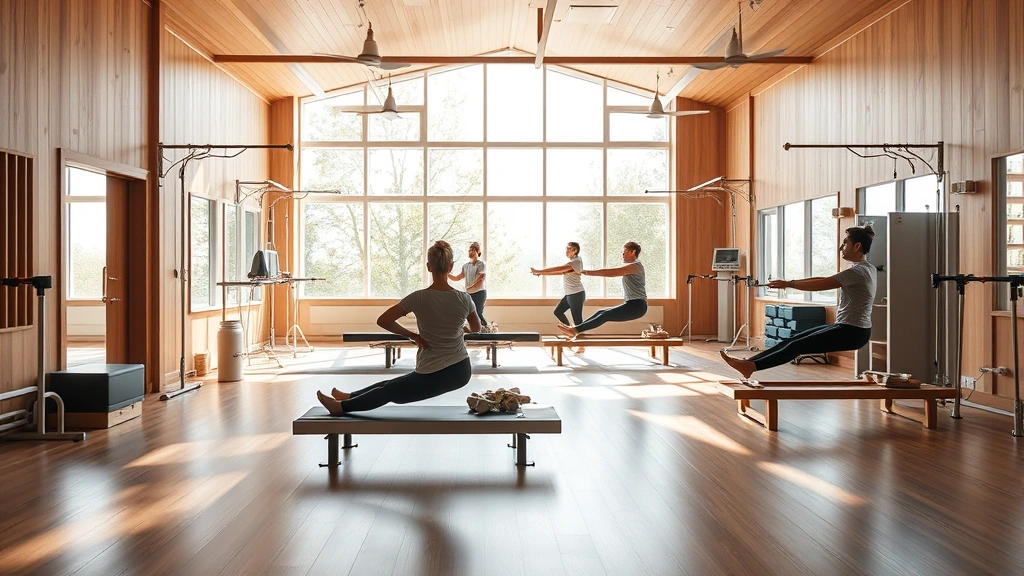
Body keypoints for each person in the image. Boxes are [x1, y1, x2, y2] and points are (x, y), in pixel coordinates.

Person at [317, 240, 480, 414]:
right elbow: (476, 328)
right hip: (460, 369)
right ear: (451, 267)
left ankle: (341, 407)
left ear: (428, 266)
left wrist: (413, 335)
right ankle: (349, 396)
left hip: (436, 371)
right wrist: (458, 327)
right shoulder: (464, 299)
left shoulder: (418, 298)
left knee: (391, 391)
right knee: (390, 385)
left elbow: (384, 320)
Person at [720, 225, 877, 380]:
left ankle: (751, 367)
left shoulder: (859, 272)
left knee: (797, 346)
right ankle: (749, 364)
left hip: (852, 332)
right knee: (793, 340)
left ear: (857, 246)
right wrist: (789, 282)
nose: (841, 247)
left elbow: (821, 285)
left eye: (845, 243)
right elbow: (822, 280)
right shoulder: (865, 268)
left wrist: (789, 284)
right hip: (850, 328)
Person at [557, 241, 647, 339]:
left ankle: (575, 330)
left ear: (632, 252)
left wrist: (588, 272)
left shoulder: (636, 266)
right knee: (601, 312)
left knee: (605, 315)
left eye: (625, 250)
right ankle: (576, 329)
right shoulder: (633, 267)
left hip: (637, 306)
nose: (622, 253)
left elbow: (612, 272)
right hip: (632, 304)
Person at [531, 241, 586, 327]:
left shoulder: (575, 262)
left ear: (575, 251)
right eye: (566, 249)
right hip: (570, 295)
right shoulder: (574, 261)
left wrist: (539, 271)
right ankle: (570, 332)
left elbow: (557, 269)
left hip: (576, 294)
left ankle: (580, 338)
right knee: (558, 312)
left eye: (568, 249)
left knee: (578, 321)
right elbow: (559, 272)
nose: (566, 251)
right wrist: (541, 273)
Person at [448, 241, 490, 329]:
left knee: (478, 312)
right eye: (469, 250)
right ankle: (476, 330)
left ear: (478, 251)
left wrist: (468, 287)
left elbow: (480, 280)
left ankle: (486, 327)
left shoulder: (481, 264)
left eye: (472, 250)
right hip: (469, 294)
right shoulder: (465, 266)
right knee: (470, 313)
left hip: (480, 293)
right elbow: (457, 277)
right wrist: (447, 274)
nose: (470, 252)